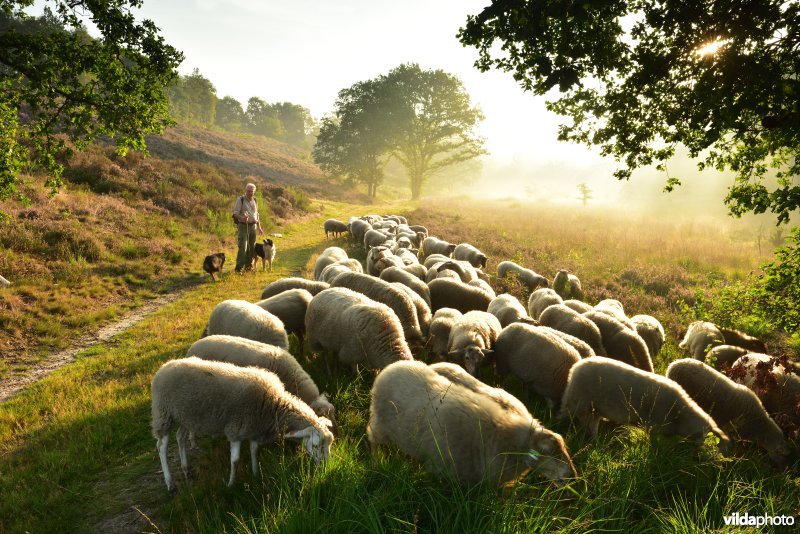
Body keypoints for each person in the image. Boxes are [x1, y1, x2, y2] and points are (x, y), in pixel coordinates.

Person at [232, 183, 264, 272]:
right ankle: (238, 269)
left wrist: (259, 227)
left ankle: (248, 267)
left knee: (252, 248)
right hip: (243, 226)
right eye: (248, 191)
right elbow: (235, 214)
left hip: (253, 226)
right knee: (243, 247)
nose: (250, 193)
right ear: (245, 190)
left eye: (252, 191)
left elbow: (257, 215)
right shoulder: (240, 199)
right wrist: (243, 218)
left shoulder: (255, 200)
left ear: (254, 192)